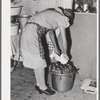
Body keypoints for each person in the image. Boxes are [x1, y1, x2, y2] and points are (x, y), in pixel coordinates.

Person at [21, 7, 73, 95]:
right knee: (40, 61)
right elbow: (65, 39)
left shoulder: (53, 15)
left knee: (36, 61)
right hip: (32, 33)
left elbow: (51, 32)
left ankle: (39, 84)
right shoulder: (61, 18)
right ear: (67, 18)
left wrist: (56, 47)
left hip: (28, 31)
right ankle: (43, 87)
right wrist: (65, 53)